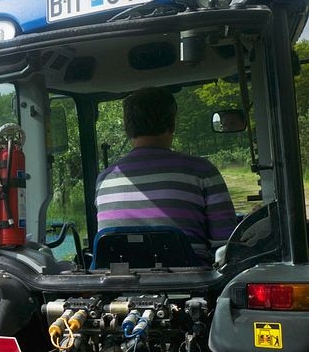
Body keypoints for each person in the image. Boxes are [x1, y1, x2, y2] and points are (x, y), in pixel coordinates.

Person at [95, 87, 237, 261]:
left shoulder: (104, 179)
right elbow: (226, 246)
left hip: (119, 285)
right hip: (192, 284)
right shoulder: (202, 171)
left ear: (127, 126)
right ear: (172, 122)